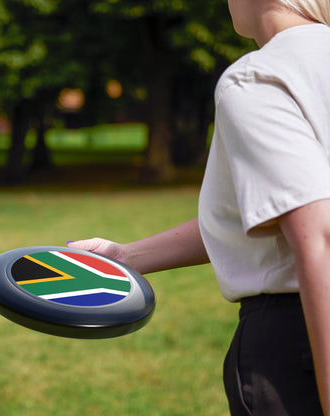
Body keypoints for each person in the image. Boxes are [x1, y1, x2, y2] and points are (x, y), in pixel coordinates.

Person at [67, 1, 330, 415]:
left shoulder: (260, 78)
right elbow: (268, 212)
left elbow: (320, 237)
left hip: (299, 344)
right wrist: (125, 256)